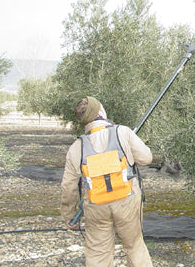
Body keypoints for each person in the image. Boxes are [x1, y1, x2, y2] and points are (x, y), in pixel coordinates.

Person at [60, 96, 153, 267]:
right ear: (100, 112)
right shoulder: (122, 132)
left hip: (96, 206)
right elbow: (146, 158)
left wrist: (69, 214)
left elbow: (68, 186)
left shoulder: (76, 147)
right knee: (134, 247)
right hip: (127, 201)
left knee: (97, 254)